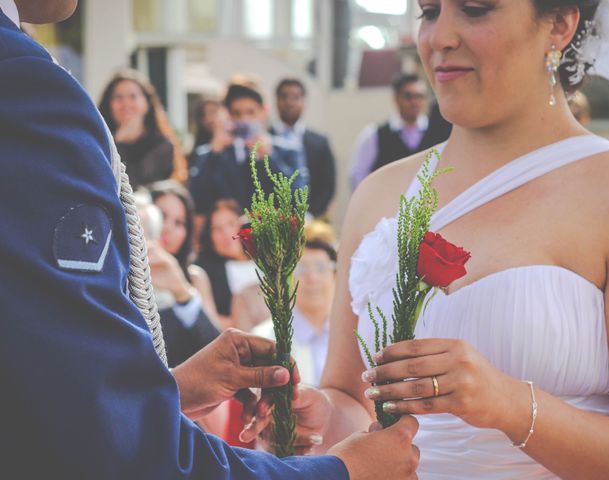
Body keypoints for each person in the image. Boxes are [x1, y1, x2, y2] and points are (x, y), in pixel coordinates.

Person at [0, 2, 422, 478]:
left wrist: (167, 390)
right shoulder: (22, 84)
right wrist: (345, 472)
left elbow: (34, 387)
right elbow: (135, 455)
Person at [244, 0, 609, 478]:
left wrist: (512, 406)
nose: (439, 37)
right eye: (429, 11)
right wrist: (319, 418)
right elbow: (353, 396)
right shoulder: (379, 194)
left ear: (559, 24)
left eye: (474, 10)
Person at [189, 83, 304, 227]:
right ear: (228, 115)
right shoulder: (210, 154)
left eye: (251, 112)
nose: (244, 119)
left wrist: (269, 157)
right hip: (228, 237)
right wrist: (214, 152)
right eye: (237, 113)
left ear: (263, 112)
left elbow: (298, 198)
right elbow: (197, 200)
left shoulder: (288, 150)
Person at [142, 181, 220, 366]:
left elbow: (216, 347)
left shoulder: (195, 278)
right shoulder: (122, 273)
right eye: (162, 215)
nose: (168, 227)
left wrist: (182, 293)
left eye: (179, 222)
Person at [253, 226, 338, 387]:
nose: (312, 278)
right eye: (302, 269)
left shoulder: (353, 334)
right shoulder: (265, 338)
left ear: (335, 274)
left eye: (321, 268)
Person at [350, 73, 451, 189]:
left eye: (419, 96)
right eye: (408, 96)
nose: (414, 102)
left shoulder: (439, 133)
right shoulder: (375, 135)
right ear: (396, 99)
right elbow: (358, 175)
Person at [98, 68, 188, 189]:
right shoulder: (98, 142)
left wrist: (119, 144)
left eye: (133, 96)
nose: (126, 103)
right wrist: (116, 141)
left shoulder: (162, 145)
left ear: (146, 103)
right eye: (118, 97)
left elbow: (133, 184)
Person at [196, 199, 269, 331]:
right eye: (217, 229)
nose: (226, 233)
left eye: (231, 224)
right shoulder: (206, 272)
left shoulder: (269, 258)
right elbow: (211, 319)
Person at [270, 78, 337, 218]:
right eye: (284, 97)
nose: (289, 102)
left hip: (311, 220)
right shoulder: (265, 139)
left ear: (304, 102)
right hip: (271, 219)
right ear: (276, 101)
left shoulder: (320, 142)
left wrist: (310, 215)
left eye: (296, 97)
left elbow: (327, 185)